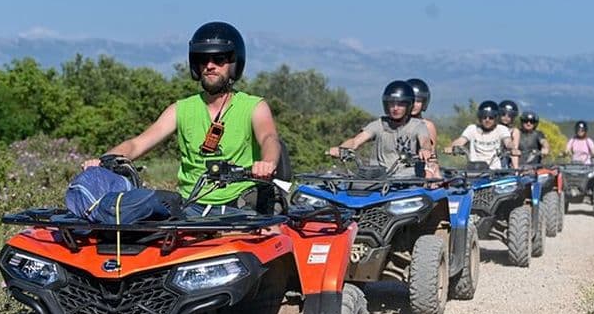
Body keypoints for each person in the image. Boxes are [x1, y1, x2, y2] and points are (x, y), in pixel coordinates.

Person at [82, 21, 281, 216]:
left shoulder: (254, 106)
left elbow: (269, 138)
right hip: (191, 206)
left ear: (234, 63)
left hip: (239, 205)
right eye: (203, 59)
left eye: (219, 59)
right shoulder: (181, 109)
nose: (210, 66)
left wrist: (268, 163)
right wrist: (102, 163)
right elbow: (137, 144)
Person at [328, 80, 433, 177]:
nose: (395, 108)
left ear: (408, 105)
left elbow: (425, 141)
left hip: (409, 182)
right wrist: (342, 149)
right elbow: (356, 141)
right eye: (392, 103)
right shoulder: (379, 124)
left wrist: (425, 150)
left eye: (400, 104)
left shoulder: (418, 125)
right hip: (379, 180)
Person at [444, 100, 516, 169]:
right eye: (484, 117)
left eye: (491, 117)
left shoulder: (501, 129)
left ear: (496, 118)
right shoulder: (472, 128)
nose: (487, 120)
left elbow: (508, 141)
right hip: (474, 170)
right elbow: (461, 141)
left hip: (495, 172)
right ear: (480, 117)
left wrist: (513, 149)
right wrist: (451, 147)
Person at [407, 78, 440, 177]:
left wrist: (430, 176)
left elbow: (432, 157)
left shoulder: (427, 125)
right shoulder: (395, 125)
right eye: (411, 101)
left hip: (420, 175)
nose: (414, 105)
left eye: (418, 101)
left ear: (424, 103)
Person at [498, 99, 521, 168]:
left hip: (503, 161)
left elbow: (514, 151)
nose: (506, 117)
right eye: (503, 114)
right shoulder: (493, 128)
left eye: (509, 115)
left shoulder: (514, 131)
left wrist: (516, 169)